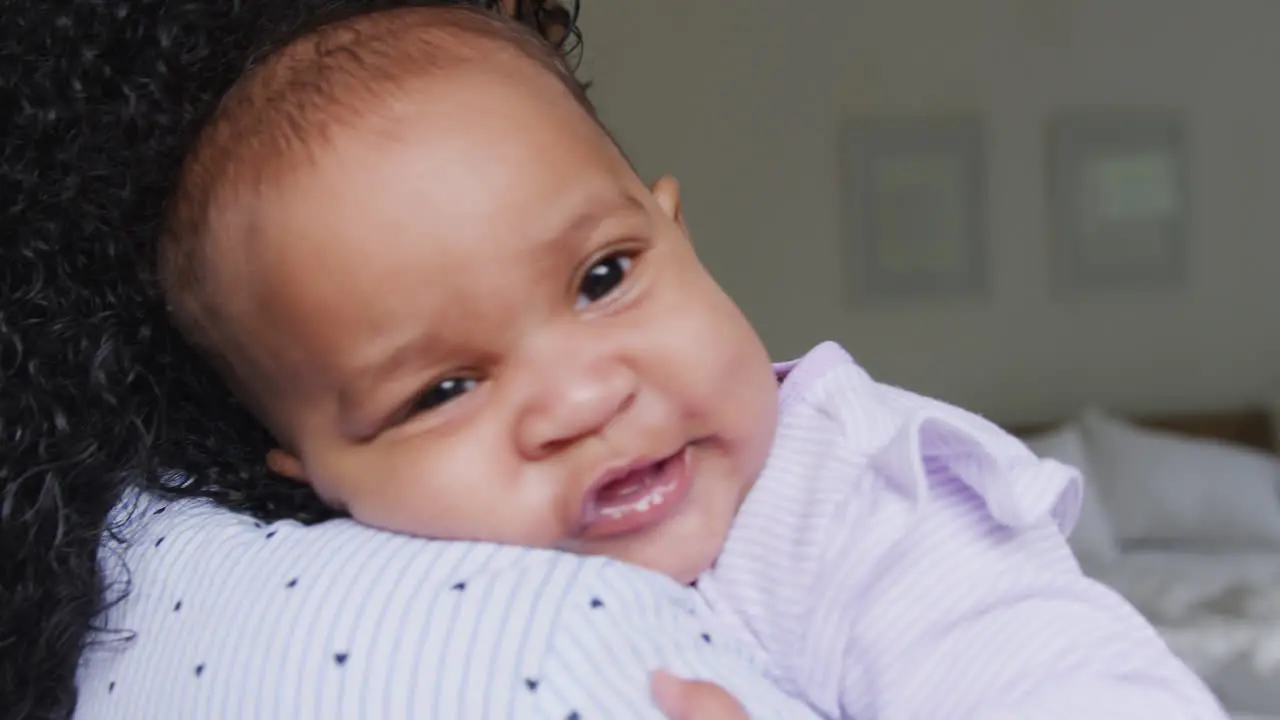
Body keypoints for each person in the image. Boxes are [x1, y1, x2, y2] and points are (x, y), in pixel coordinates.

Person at [1, 2, 1228, 720]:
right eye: (440, 391)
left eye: (601, 279)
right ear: (309, 471)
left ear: (677, 233)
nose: (584, 399)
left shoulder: (866, 506)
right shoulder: (384, 597)